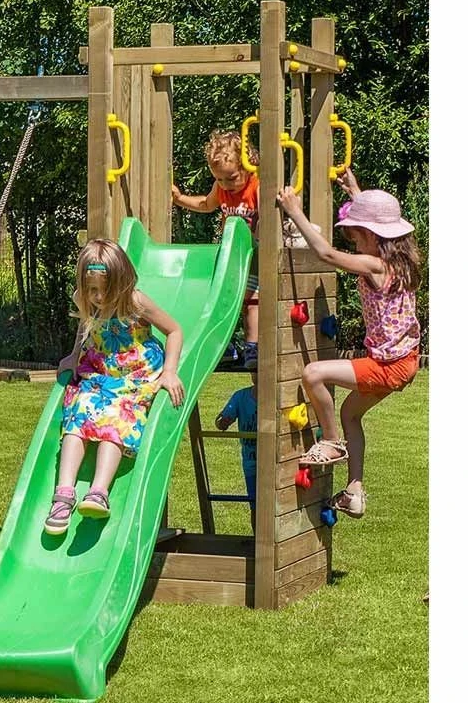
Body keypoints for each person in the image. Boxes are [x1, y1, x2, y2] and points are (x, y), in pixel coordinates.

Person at [276, 169, 421, 519]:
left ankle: (331, 442)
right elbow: (375, 224)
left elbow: (327, 254)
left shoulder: (373, 264)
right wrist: (356, 191)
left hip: (387, 365)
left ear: (371, 236)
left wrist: (295, 211)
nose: (354, 243)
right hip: (406, 361)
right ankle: (354, 490)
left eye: (356, 237)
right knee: (350, 414)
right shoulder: (403, 261)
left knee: (313, 374)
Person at [44, 239, 186, 535]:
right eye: (91, 290)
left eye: (104, 290)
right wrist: (75, 354)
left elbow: (174, 330)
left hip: (135, 374)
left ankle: (98, 491)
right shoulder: (85, 299)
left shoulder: (135, 302)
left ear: (122, 282)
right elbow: (85, 325)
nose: (97, 297)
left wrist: (170, 371)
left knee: (117, 416)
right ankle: (64, 493)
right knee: (78, 412)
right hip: (102, 369)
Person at [171, 129, 261, 369]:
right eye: (219, 179)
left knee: (251, 301)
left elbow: (269, 219)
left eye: (231, 178)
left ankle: (253, 347)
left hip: (254, 255)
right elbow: (206, 204)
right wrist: (180, 199)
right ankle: (225, 347)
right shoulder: (221, 188)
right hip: (231, 255)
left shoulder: (256, 186)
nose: (225, 185)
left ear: (248, 165)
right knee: (221, 299)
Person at [215, 372, 259, 533]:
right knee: (255, 505)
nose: (257, 374)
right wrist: (223, 423)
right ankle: (256, 540)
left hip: (271, 463)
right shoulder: (241, 397)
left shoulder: (276, 397)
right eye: (253, 371)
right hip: (251, 462)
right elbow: (220, 422)